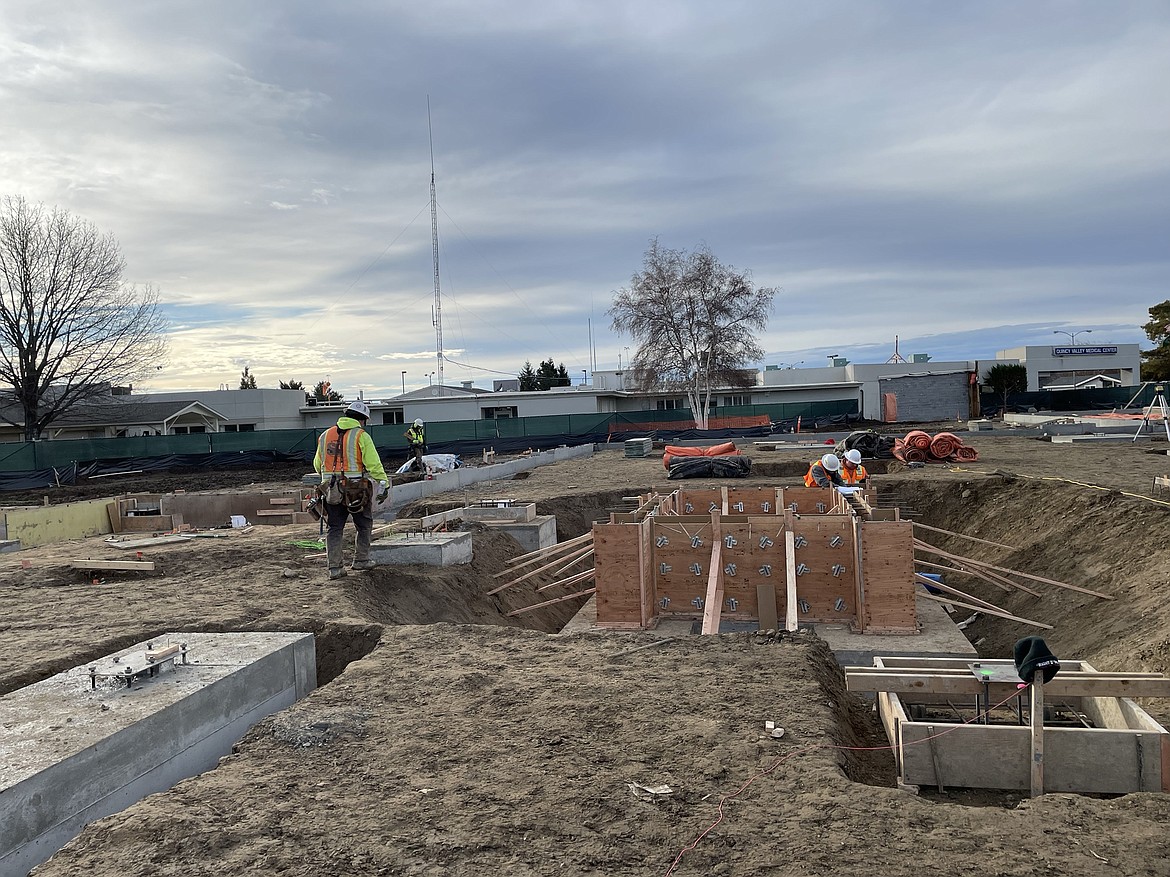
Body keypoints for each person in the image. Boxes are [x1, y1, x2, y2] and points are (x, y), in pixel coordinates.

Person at [314, 400, 389, 579]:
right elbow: (373, 463)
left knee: (335, 527)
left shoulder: (325, 435)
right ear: (363, 420)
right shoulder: (360, 436)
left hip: (331, 490)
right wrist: (383, 482)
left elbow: (318, 464)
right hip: (356, 490)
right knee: (363, 524)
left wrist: (328, 479)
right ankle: (361, 560)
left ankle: (335, 568)